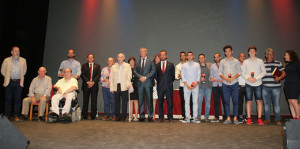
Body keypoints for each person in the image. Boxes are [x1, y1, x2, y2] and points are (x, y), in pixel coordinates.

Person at [1, 46, 27, 121]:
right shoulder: (7, 60)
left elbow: (24, 71)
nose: (17, 52)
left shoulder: (23, 60)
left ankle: (16, 115)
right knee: (8, 99)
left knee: (17, 99)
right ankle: (7, 115)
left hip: (18, 82)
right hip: (9, 82)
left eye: (18, 51)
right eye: (15, 51)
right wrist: (7, 77)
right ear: (12, 52)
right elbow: (3, 70)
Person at [242, 46, 266, 125]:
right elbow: (243, 73)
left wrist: (256, 78)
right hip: (248, 83)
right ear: (248, 53)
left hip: (258, 83)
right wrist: (248, 78)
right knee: (248, 101)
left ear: (256, 52)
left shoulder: (260, 61)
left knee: (259, 101)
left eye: (253, 51)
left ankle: (259, 118)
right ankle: (249, 118)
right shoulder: (245, 62)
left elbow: (264, 72)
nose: (252, 52)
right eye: (250, 51)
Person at [262, 48, 286, 125]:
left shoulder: (278, 63)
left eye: (272, 54)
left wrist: (279, 78)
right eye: (269, 54)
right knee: (266, 104)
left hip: (276, 87)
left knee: (276, 104)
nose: (271, 56)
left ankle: (278, 119)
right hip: (265, 87)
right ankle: (267, 119)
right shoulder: (262, 64)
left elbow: (284, 73)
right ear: (266, 55)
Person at [219, 45, 241, 124]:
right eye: (226, 51)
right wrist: (226, 78)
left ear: (232, 52)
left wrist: (232, 78)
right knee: (226, 101)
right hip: (225, 84)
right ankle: (228, 118)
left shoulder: (236, 61)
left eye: (229, 51)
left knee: (235, 101)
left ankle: (235, 118)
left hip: (234, 83)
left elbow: (239, 72)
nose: (228, 53)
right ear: (225, 53)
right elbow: (220, 72)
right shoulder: (222, 62)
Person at [133, 47, 156, 122]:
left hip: (148, 83)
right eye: (141, 51)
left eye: (143, 51)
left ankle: (150, 116)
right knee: (141, 100)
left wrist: (145, 77)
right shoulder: (137, 61)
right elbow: (134, 71)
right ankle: (142, 116)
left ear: (146, 52)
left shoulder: (151, 60)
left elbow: (153, 70)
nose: (142, 53)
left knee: (149, 100)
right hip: (140, 83)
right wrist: (140, 77)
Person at [109, 53, 132, 121]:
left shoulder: (127, 66)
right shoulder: (114, 66)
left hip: (124, 86)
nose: (120, 58)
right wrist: (112, 88)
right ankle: (117, 115)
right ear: (117, 58)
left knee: (124, 102)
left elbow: (129, 76)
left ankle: (123, 116)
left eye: (121, 57)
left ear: (124, 58)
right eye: (118, 57)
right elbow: (111, 77)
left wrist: (128, 84)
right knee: (116, 102)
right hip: (116, 86)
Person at [181, 51, 200, 123]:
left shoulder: (197, 65)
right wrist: (188, 85)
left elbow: (198, 76)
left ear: (193, 56)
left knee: (195, 102)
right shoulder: (184, 65)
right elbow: (183, 76)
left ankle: (195, 117)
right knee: (187, 102)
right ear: (186, 57)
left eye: (191, 55)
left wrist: (194, 85)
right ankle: (187, 118)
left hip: (195, 86)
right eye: (188, 55)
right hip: (186, 87)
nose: (189, 56)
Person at [156, 50, 175, 122]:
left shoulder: (171, 64)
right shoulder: (157, 65)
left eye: (164, 55)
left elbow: (173, 76)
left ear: (166, 56)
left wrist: (168, 82)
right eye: (161, 55)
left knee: (170, 102)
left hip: (168, 86)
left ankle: (170, 117)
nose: (162, 56)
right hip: (160, 86)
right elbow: (156, 76)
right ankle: (161, 117)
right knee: (160, 102)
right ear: (160, 56)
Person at [81, 54, 101, 120]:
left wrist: (93, 82)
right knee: (85, 101)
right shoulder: (84, 66)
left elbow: (98, 75)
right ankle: (84, 116)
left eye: (92, 58)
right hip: (86, 85)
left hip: (94, 85)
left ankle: (93, 116)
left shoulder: (97, 66)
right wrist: (88, 82)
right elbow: (82, 75)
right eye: (89, 58)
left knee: (94, 101)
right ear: (87, 59)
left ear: (94, 59)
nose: (90, 59)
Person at [175, 51, 193, 120]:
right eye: (181, 56)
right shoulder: (178, 66)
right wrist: (179, 76)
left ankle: (192, 116)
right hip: (182, 86)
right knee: (183, 101)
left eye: (184, 55)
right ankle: (184, 115)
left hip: (190, 85)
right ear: (180, 57)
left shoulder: (190, 64)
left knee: (191, 101)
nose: (182, 57)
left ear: (186, 56)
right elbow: (176, 77)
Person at [283, 50, 300, 119]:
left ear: (290, 55)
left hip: (295, 84)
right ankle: (294, 118)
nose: (284, 57)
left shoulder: (297, 64)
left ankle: (298, 117)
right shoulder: (287, 64)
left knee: (294, 101)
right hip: (287, 85)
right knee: (290, 101)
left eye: (285, 55)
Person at [210, 53, 225, 123]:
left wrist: (224, 79)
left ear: (220, 57)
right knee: (216, 102)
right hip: (215, 86)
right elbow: (211, 76)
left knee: (225, 101)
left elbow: (227, 74)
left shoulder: (224, 65)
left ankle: (226, 117)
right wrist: (211, 79)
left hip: (223, 86)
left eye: (217, 57)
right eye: (215, 57)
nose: (216, 58)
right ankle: (216, 117)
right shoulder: (212, 66)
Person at [197, 54, 212, 123]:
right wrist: (200, 79)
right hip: (200, 87)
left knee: (208, 103)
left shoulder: (209, 66)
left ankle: (206, 117)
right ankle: (199, 117)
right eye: (200, 58)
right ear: (199, 59)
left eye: (203, 58)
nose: (202, 59)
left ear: (205, 58)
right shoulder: (197, 67)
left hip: (208, 87)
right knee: (199, 103)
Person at [128, 57, 139, 122]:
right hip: (129, 86)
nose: (132, 62)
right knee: (130, 101)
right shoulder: (127, 69)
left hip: (136, 86)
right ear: (128, 62)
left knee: (136, 101)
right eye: (130, 61)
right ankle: (131, 115)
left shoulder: (136, 69)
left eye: (133, 61)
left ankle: (136, 116)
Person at [237, 53, 247, 123]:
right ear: (238, 58)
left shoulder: (248, 66)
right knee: (239, 103)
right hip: (239, 86)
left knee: (248, 102)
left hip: (247, 86)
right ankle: (240, 116)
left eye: (243, 56)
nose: (242, 57)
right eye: (241, 56)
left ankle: (247, 117)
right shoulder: (236, 66)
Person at [152, 54, 160, 121]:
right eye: (156, 58)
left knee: (161, 100)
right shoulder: (152, 66)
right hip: (154, 85)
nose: (157, 59)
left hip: (161, 85)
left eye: (158, 58)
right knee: (154, 100)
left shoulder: (163, 66)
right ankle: (153, 114)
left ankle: (161, 115)